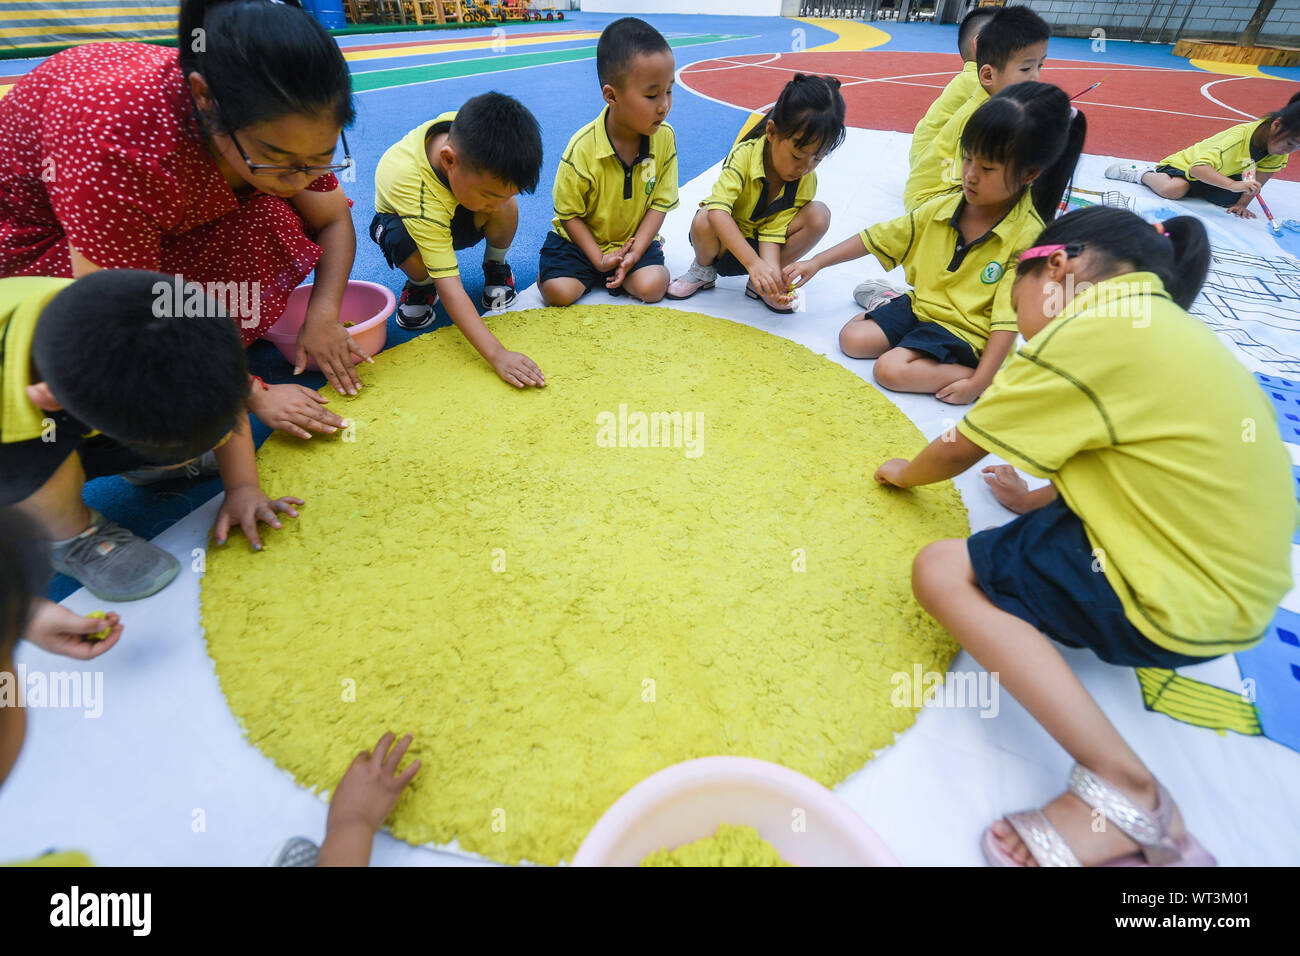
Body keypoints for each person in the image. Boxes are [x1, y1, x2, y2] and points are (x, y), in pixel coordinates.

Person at [873, 206, 1295, 866]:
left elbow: (960, 448)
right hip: (1242, 595)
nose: (1016, 316)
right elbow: (1134, 458)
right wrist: (1035, 499)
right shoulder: (1162, 326)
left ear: (1056, 265)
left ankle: (1127, 785)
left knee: (940, 569)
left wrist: (905, 473)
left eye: (1015, 294)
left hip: (1180, 603)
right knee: (1030, 536)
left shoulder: (1083, 332)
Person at [0, 0, 362, 440]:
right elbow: (122, 313)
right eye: (275, 157)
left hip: (146, 200)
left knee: (270, 213)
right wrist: (250, 392)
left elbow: (333, 219)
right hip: (36, 250)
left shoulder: (283, 118)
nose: (300, 178)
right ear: (204, 99)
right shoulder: (118, 146)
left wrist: (323, 315)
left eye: (319, 157)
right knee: (123, 358)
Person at [1, 271, 300, 601]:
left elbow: (223, 390)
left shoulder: (164, 319)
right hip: (17, 445)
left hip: (80, 403)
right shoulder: (15, 406)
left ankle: (147, 462)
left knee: (197, 413)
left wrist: (242, 486)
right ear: (52, 400)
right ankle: (72, 539)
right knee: (34, 466)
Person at [787, 83, 1085, 404]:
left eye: (987, 168)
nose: (970, 175)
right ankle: (898, 313)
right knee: (853, 339)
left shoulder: (1026, 237)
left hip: (967, 331)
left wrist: (979, 382)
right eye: (967, 158)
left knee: (890, 370)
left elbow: (1006, 321)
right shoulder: (946, 206)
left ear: (1029, 174)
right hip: (922, 307)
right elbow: (883, 235)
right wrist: (817, 262)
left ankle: (995, 374)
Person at [371, 92, 546, 389]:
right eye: (489, 195)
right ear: (448, 160)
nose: (495, 204)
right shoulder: (412, 185)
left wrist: (495, 199)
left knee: (505, 205)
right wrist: (497, 354)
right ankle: (421, 283)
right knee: (409, 248)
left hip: (454, 208)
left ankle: (496, 265)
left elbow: (495, 194)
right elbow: (451, 286)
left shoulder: (472, 140)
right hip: (408, 223)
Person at [666, 74, 842, 314]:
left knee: (819, 215)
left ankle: (760, 285)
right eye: (797, 156)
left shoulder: (805, 180)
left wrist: (769, 275)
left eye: (817, 159)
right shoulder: (744, 155)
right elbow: (719, 212)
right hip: (722, 245)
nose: (804, 168)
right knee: (706, 216)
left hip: (761, 251)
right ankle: (703, 271)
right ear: (771, 132)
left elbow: (773, 231)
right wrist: (753, 262)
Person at [539, 17, 678, 307]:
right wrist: (599, 259)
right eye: (652, 94)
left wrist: (635, 253)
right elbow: (569, 214)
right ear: (611, 95)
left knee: (652, 287)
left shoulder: (664, 138)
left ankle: (622, 268)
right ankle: (590, 272)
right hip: (580, 244)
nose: (664, 105)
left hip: (631, 240)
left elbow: (659, 203)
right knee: (558, 293)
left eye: (669, 90)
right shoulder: (582, 149)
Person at [904, 4, 1050, 211]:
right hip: (934, 197)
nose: (1035, 77)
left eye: (1039, 66)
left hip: (930, 173)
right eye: (1025, 67)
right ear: (980, 45)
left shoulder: (982, 84)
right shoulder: (980, 90)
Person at [1106, 92, 1300, 218]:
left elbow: (1260, 176)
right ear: (1276, 125)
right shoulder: (1237, 139)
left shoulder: (1279, 147)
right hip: (1187, 166)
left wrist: (1242, 204)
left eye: (1297, 147)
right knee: (1174, 190)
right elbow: (1197, 168)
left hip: (1219, 173)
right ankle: (1142, 174)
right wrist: (1232, 185)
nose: (1289, 151)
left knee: (1229, 200)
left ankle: (1198, 189)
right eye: (1290, 144)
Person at [909, 6, 999, 166]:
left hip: (926, 161)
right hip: (936, 170)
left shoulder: (971, 78)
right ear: (981, 45)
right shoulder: (981, 82)